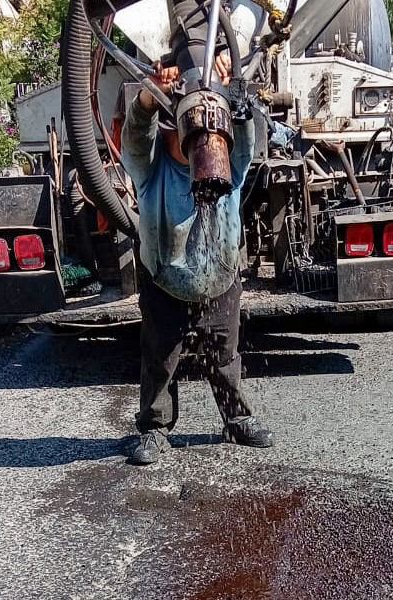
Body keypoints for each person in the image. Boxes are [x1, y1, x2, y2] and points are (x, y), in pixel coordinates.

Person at [120, 54, 274, 465]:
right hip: (165, 281)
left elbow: (245, 140)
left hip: (220, 278)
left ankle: (236, 419)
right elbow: (135, 142)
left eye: (212, 129)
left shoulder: (229, 170)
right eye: (193, 130)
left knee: (224, 353)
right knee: (160, 356)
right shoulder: (150, 171)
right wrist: (147, 102)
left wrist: (233, 96)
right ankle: (154, 428)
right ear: (173, 131)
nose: (204, 141)